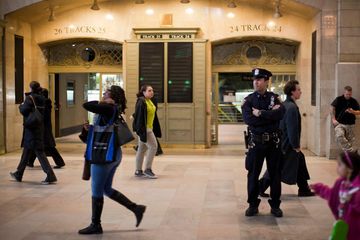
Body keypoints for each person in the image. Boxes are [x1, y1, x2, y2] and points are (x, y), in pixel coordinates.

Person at [78, 85, 146, 235]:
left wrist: (104, 101)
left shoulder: (109, 107)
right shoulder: (111, 109)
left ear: (112, 96)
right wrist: (90, 128)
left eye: (106, 92)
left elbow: (87, 105)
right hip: (113, 153)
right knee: (106, 189)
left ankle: (96, 225)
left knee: (97, 190)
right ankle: (136, 208)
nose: (103, 94)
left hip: (105, 155)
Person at [241, 68, 285, 217]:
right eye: (254, 79)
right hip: (256, 143)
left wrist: (260, 113)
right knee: (253, 174)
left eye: (259, 79)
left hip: (273, 142)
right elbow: (249, 119)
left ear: (266, 81)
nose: (256, 82)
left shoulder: (274, 98)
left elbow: (280, 114)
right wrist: (270, 115)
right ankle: (253, 205)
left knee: (275, 175)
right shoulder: (249, 100)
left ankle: (275, 205)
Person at [259, 80, 315, 197]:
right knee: (275, 168)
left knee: (299, 160)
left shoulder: (286, 105)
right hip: (286, 145)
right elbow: (292, 128)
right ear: (292, 92)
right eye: (298, 90)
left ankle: (304, 189)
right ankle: (260, 187)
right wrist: (295, 145)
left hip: (283, 143)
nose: (301, 92)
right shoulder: (291, 108)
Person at [10, 81, 57, 184]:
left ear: (31, 88)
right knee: (26, 152)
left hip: (31, 129)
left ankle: (50, 175)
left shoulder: (30, 98)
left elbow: (24, 111)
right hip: (39, 128)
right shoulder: (42, 99)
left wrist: (21, 106)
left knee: (39, 153)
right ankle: (19, 173)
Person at [310, 151, 360, 240]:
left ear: (350, 168)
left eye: (340, 165)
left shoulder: (357, 189)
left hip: (356, 228)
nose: (337, 168)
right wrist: (319, 188)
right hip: (343, 224)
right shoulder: (341, 183)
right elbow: (332, 195)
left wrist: (351, 202)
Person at [27, 88, 65, 169]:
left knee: (49, 147)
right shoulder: (46, 103)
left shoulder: (45, 104)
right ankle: (30, 161)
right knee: (38, 145)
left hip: (45, 129)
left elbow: (42, 116)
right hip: (44, 128)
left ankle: (60, 162)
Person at [132, 85, 162, 179]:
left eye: (152, 90)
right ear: (143, 92)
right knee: (153, 147)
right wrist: (140, 131)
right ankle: (147, 169)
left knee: (141, 149)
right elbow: (139, 115)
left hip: (149, 128)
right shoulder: (141, 101)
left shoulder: (150, 101)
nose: (152, 92)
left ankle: (138, 170)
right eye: (149, 90)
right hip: (145, 129)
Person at [331, 86, 360, 153]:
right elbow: (332, 108)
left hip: (351, 124)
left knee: (350, 141)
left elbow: (359, 111)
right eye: (347, 94)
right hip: (340, 123)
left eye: (350, 94)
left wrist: (353, 112)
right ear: (344, 93)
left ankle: (349, 159)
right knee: (339, 136)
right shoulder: (338, 99)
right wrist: (333, 119)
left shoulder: (353, 101)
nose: (348, 96)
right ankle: (352, 151)